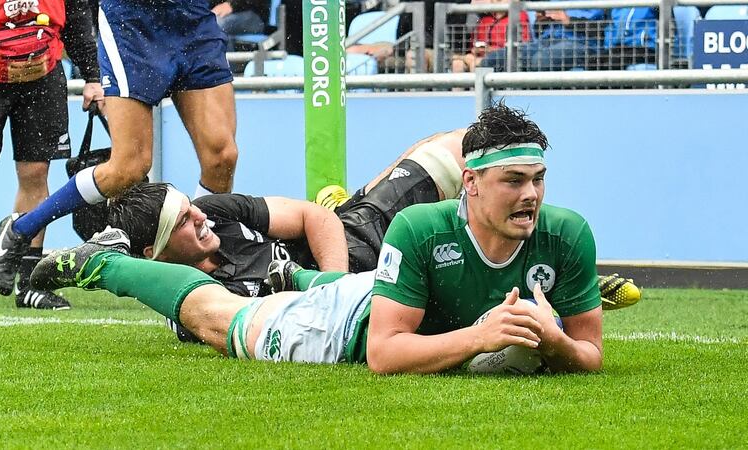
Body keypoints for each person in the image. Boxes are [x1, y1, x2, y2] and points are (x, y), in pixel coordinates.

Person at [30, 104, 608, 374]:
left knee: (361, 234)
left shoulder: (567, 234)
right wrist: (478, 337)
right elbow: (383, 355)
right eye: (514, 181)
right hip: (347, 322)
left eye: (538, 180)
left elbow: (590, 356)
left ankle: (310, 274)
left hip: (354, 272)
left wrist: (556, 344)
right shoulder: (419, 229)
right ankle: (102, 264)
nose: (531, 194)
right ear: (474, 184)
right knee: (218, 321)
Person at [0, 0, 240, 298]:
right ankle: (21, 228)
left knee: (222, 157)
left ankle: (204, 274)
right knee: (128, 168)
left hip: (193, 19)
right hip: (134, 22)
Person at [107, 129, 467, 297]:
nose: (199, 217)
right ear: (154, 255)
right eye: (183, 221)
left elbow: (316, 219)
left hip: (357, 233)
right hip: (375, 287)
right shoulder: (195, 300)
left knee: (454, 149)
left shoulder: (214, 211)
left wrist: (333, 291)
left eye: (190, 207)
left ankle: (346, 201)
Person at [0, 0, 102, 309]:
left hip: (42, 66)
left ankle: (30, 283)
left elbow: (76, 12)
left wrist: (93, 76)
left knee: (35, 173)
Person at [452, 0, 531, 73]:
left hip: (503, 58)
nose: (495, 2)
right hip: (479, 57)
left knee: (476, 63)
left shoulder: (519, 16)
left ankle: (477, 88)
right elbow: (474, 44)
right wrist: (474, 50)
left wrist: (489, 50)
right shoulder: (484, 20)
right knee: (457, 63)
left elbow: (521, 47)